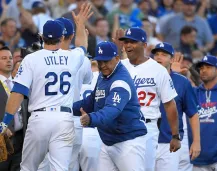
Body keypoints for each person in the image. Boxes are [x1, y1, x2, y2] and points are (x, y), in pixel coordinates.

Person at [0, 19, 87, 171]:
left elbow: (18, 93)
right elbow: (83, 47)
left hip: (40, 119)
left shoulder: (31, 59)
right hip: (64, 119)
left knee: (28, 168)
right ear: (62, 37)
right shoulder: (73, 57)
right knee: (60, 168)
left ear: (41, 36)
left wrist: (4, 122)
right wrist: (80, 25)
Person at [73, 41, 147, 171]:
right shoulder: (104, 74)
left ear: (117, 58)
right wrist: (66, 108)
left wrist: (91, 119)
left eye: (106, 61)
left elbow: (111, 111)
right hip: (108, 141)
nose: (102, 65)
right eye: (100, 62)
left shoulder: (121, 81)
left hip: (128, 142)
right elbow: (92, 101)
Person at [115, 27, 180, 171]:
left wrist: (175, 135)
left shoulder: (158, 70)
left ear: (144, 45)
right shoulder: (119, 67)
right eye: (126, 42)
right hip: (119, 126)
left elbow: (170, 105)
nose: (128, 45)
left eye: (133, 42)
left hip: (146, 127)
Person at [37, 3, 93, 171]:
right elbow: (87, 80)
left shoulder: (39, 57)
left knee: (43, 165)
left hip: (44, 118)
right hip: (73, 119)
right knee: (70, 165)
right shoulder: (80, 58)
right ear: (71, 35)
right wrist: (81, 27)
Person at [151, 42, 201, 171]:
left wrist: (196, 141)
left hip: (169, 142)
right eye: (156, 54)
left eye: (164, 55)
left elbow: (193, 114)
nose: (159, 57)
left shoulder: (182, 82)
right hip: (146, 139)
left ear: (172, 59)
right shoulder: (144, 77)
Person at [0, 46, 28, 171]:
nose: (9, 61)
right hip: (2, 139)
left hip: (21, 138)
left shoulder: (19, 83)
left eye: (10, 58)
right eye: (4, 58)